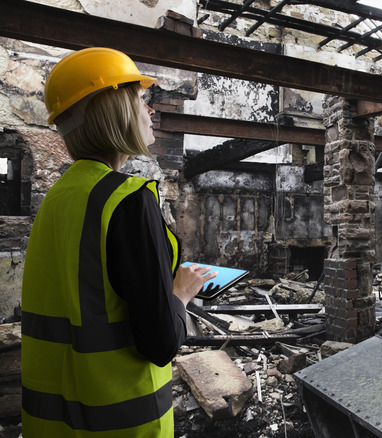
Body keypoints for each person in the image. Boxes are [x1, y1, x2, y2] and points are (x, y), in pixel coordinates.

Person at [21, 47, 217, 437]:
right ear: (111, 110)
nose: (150, 112)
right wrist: (180, 293)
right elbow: (161, 342)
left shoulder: (57, 199)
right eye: (141, 100)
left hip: (53, 425)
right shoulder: (127, 199)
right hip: (123, 425)